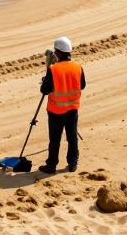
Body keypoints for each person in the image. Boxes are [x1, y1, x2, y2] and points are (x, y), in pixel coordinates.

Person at [39, 36, 85, 174]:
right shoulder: (78, 67)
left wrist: (47, 76)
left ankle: (51, 165)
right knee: (72, 137)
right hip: (72, 109)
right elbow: (82, 85)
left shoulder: (53, 69)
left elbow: (44, 90)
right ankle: (72, 163)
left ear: (58, 53)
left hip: (56, 110)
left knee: (55, 140)